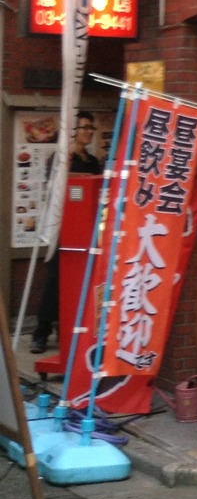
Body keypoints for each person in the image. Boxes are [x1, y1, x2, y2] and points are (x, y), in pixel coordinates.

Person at [30, 111, 102, 354]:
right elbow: (56, 187)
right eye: (85, 127)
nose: (89, 132)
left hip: (87, 229)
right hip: (62, 229)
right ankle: (41, 332)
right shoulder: (61, 158)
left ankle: (71, 329)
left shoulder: (93, 161)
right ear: (73, 131)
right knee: (54, 280)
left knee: (82, 281)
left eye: (91, 128)